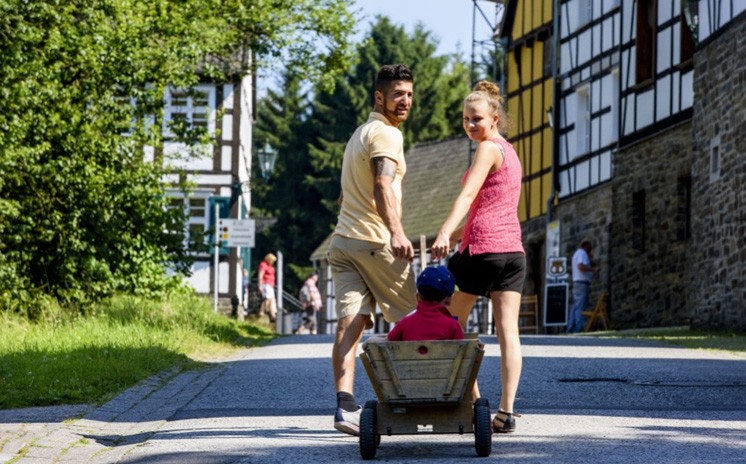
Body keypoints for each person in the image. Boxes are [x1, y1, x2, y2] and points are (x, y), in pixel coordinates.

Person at [431, 80, 525, 434]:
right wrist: (452, 235)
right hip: (513, 252)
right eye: (466, 119)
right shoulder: (511, 152)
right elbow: (491, 207)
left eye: (477, 119)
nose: (471, 125)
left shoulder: (488, 148)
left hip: (484, 249)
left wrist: (444, 233)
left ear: (495, 118)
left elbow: (469, 197)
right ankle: (505, 412)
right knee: (508, 334)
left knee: (449, 326)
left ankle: (474, 402)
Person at [328, 64, 417, 436]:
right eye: (398, 94)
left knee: (352, 322)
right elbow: (382, 184)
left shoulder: (358, 135)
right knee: (422, 317)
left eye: (410, 94)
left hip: (343, 242)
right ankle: (439, 398)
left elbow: (345, 194)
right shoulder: (386, 134)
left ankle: (345, 407)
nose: (406, 101)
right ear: (379, 96)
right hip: (374, 241)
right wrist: (396, 232)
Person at [387, 265, 464, 342]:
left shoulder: (404, 323)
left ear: (417, 297)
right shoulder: (453, 326)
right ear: (449, 300)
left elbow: (390, 340)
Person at [567, 238, 600, 333]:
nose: (591, 248)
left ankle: (571, 327)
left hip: (577, 282)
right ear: (586, 245)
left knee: (575, 306)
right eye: (590, 246)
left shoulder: (577, 254)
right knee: (581, 306)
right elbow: (580, 266)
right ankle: (579, 327)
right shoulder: (582, 253)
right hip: (582, 283)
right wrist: (593, 269)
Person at [258, 253, 277, 322]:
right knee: (267, 298)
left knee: (272, 299)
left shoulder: (270, 266)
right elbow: (261, 275)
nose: (273, 262)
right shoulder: (263, 264)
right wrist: (260, 285)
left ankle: (273, 314)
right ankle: (262, 311)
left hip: (271, 284)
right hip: (266, 284)